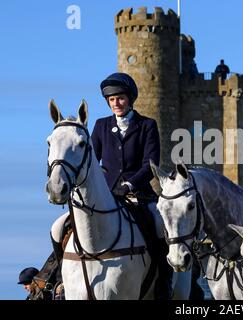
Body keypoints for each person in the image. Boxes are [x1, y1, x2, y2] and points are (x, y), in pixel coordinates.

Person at [50, 72, 172, 299]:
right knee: (58, 228)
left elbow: (150, 164)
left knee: (159, 225)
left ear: (130, 99)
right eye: (112, 99)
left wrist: (129, 185)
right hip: (103, 194)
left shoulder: (147, 125)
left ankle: (163, 280)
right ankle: (60, 278)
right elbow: (90, 160)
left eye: (120, 98)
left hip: (138, 194)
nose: (116, 103)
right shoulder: (101, 125)